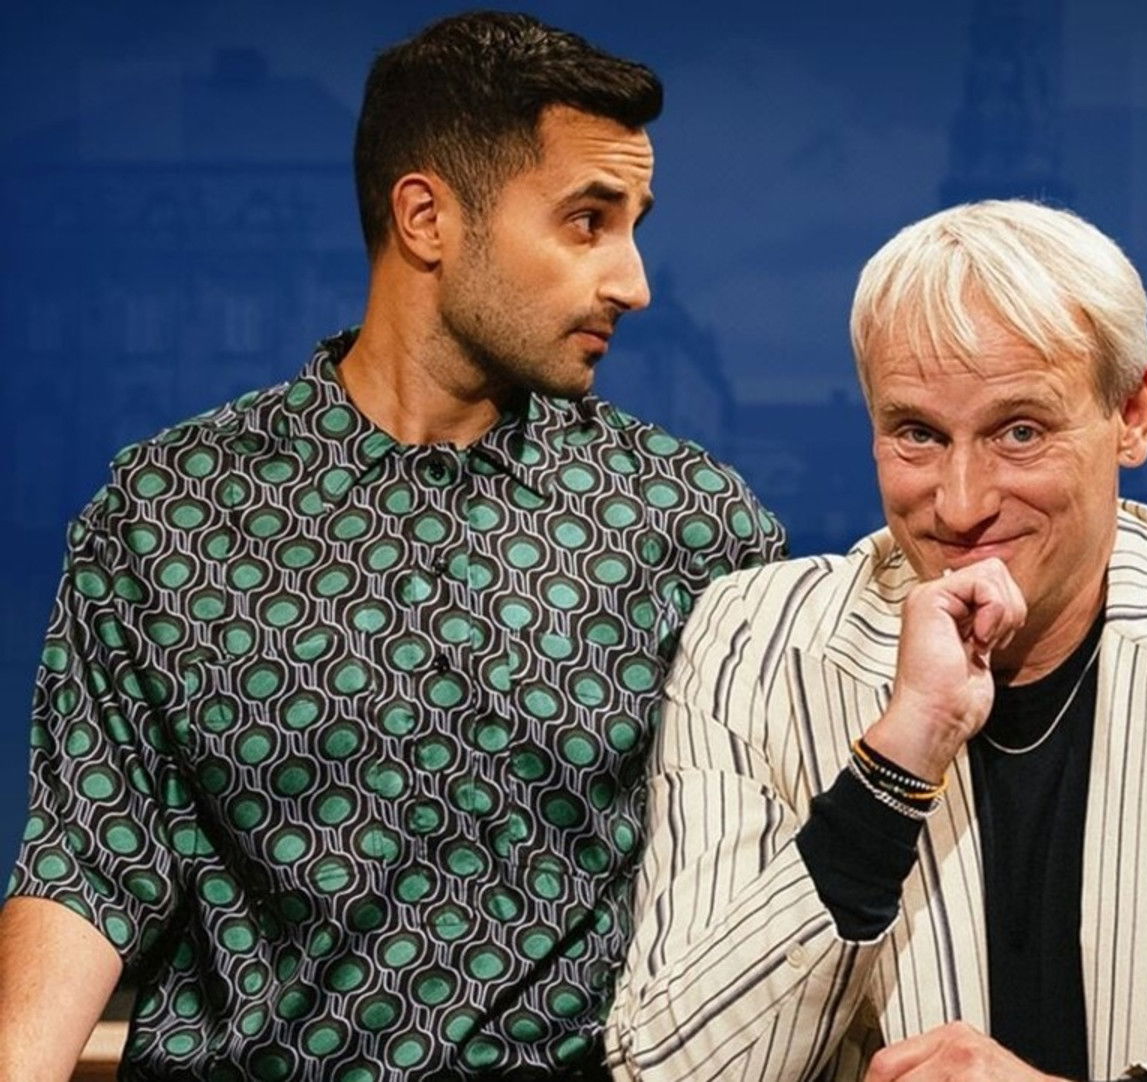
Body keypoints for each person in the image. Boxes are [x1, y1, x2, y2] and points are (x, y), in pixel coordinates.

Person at [0, 12, 783, 1080]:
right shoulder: (166, 511)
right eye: (588, 222)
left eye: (633, 225)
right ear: (426, 218)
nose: (633, 282)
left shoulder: (692, 524)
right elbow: (90, 862)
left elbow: (756, 892)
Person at [602, 199, 1147, 1082]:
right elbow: (668, 1071)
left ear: (1132, 415)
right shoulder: (756, 644)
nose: (961, 504)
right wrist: (897, 762)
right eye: (917, 435)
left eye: (1019, 433)